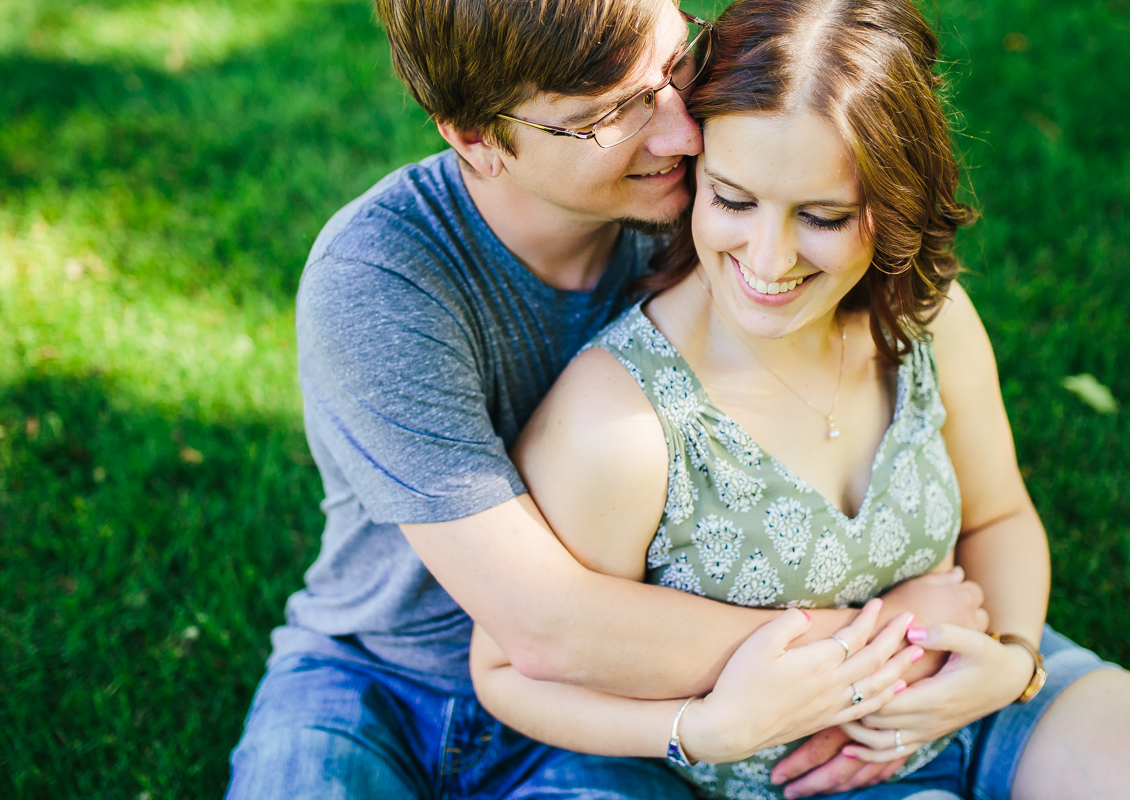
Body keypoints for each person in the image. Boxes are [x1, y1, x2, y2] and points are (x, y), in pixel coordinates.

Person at [225, 1, 996, 797]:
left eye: (672, 67)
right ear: (474, 137)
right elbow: (546, 626)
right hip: (381, 680)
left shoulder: (720, 209)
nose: (679, 132)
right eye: (610, 115)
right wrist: (893, 635)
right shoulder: (382, 282)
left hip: (620, 700)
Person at [469, 0, 1130, 798]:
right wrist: (700, 730)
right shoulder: (623, 423)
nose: (769, 259)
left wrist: (1014, 661)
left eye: (822, 216)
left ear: (891, 207)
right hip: (801, 776)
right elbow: (508, 672)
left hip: (981, 696)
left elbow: (1000, 517)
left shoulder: (930, 322)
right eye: (735, 201)